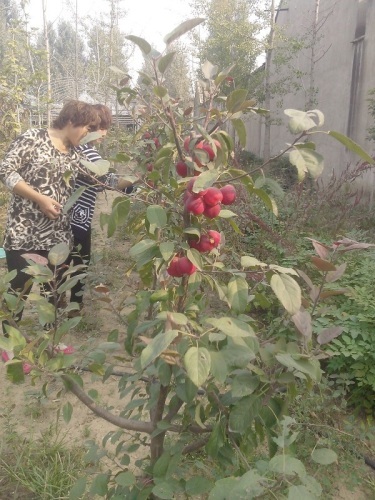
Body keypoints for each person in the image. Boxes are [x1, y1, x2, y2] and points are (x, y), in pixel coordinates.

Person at [0, 100, 100, 366]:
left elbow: (97, 180)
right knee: (20, 287)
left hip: (57, 235)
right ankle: (9, 343)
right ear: (72, 121)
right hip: (24, 232)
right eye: (87, 128)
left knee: (53, 289)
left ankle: (52, 340)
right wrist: (40, 199)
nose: (88, 134)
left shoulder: (75, 153)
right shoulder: (32, 138)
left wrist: (133, 184)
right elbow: (6, 171)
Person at [69, 103, 139, 311]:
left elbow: (95, 183)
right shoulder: (87, 152)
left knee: (63, 261)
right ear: (89, 127)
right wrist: (139, 179)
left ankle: (58, 301)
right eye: (101, 128)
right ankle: (74, 306)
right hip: (77, 218)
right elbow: (107, 181)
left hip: (66, 215)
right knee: (80, 262)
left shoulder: (77, 148)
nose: (104, 133)